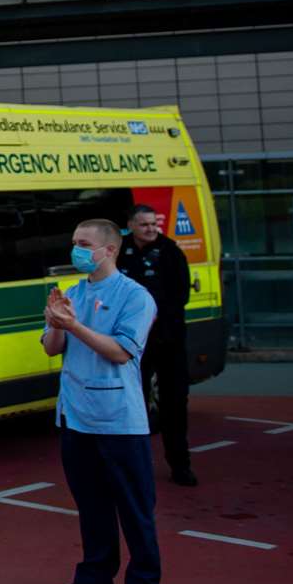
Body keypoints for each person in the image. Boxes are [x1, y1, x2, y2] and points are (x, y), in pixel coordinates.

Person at [42, 219, 161, 584]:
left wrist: (74, 324)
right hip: (76, 418)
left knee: (134, 509)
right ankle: (95, 578)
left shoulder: (135, 297)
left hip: (119, 422)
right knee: (91, 507)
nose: (76, 250)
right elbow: (50, 348)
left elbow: (121, 353)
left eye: (84, 244)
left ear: (109, 250)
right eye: (74, 242)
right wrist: (56, 323)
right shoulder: (72, 294)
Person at [117, 204, 196, 486]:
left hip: (167, 340)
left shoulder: (170, 252)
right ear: (131, 225)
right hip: (131, 343)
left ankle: (180, 465)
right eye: (144, 224)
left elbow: (180, 297)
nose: (151, 229)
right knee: (129, 403)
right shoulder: (119, 251)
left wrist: (152, 318)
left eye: (153, 224)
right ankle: (133, 466)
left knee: (174, 404)